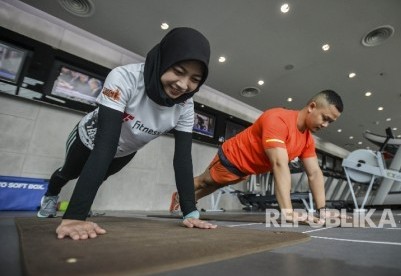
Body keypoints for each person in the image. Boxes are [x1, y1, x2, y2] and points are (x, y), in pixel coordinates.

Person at [37, 27, 217, 240]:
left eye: (195, 79)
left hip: (125, 150)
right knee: (68, 173)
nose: (183, 84)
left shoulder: (185, 106)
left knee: (101, 175)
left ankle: (82, 203)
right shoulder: (125, 77)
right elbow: (106, 144)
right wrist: (75, 216)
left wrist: (189, 212)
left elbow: (182, 159)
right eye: (178, 71)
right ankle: (50, 196)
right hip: (90, 139)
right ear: (163, 60)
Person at [170, 90, 345, 223]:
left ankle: (187, 198)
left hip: (247, 168)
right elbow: (279, 164)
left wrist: (322, 209)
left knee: (217, 183)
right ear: (312, 107)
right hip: (233, 156)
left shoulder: (307, 139)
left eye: (330, 122)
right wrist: (288, 212)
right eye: (325, 118)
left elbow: (314, 173)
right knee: (205, 181)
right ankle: (179, 195)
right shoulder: (278, 119)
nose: (325, 124)